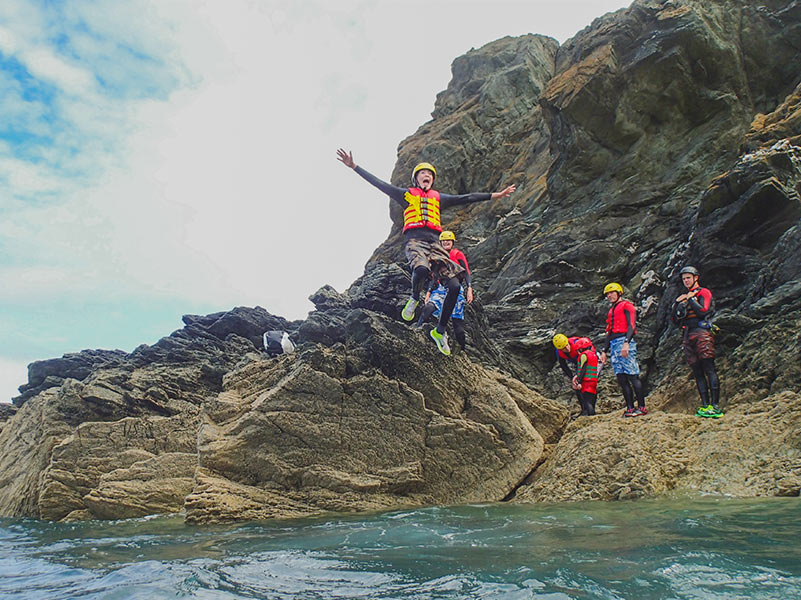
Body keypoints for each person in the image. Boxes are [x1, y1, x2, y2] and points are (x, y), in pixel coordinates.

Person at [337, 149, 515, 355]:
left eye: (430, 175)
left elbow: (467, 197)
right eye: (423, 174)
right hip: (415, 241)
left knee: (455, 286)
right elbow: (381, 185)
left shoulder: (438, 197)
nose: (427, 176)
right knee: (420, 270)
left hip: (435, 245)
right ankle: (414, 298)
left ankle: (439, 332)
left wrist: (496, 195)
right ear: (416, 179)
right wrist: (354, 167)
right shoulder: (406, 194)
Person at [671, 266, 722, 418]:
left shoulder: (703, 292)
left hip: (702, 333)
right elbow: (674, 319)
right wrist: (678, 305)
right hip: (688, 335)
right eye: (684, 278)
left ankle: (715, 406)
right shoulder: (683, 297)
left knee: (709, 367)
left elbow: (704, 311)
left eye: (688, 277)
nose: (686, 281)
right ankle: (705, 405)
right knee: (697, 371)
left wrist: (690, 299)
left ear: (695, 278)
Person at [416, 231, 473, 350]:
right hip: (441, 289)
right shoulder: (438, 257)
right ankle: (416, 333)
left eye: (449, 240)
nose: (446, 242)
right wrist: (428, 292)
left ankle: (462, 353)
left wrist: (469, 289)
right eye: (444, 240)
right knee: (428, 309)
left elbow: (466, 272)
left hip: (457, 291)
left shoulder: (457, 253)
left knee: (459, 328)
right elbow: (434, 276)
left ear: (452, 242)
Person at [599, 283, 648, 417]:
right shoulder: (611, 310)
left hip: (624, 342)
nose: (609, 296)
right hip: (614, 344)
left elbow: (632, 325)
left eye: (612, 293)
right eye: (608, 294)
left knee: (632, 375)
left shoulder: (627, 305)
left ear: (619, 293)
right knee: (621, 378)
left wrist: (627, 342)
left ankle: (642, 407)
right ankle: (630, 407)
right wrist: (604, 351)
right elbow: (609, 332)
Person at [553, 334, 599, 416]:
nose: (567, 348)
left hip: (589, 362)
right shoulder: (559, 352)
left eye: (567, 345)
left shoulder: (576, 343)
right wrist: (572, 378)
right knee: (578, 389)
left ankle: (591, 410)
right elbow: (564, 366)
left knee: (588, 388)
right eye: (563, 348)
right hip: (578, 363)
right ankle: (584, 410)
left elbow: (585, 362)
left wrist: (578, 376)